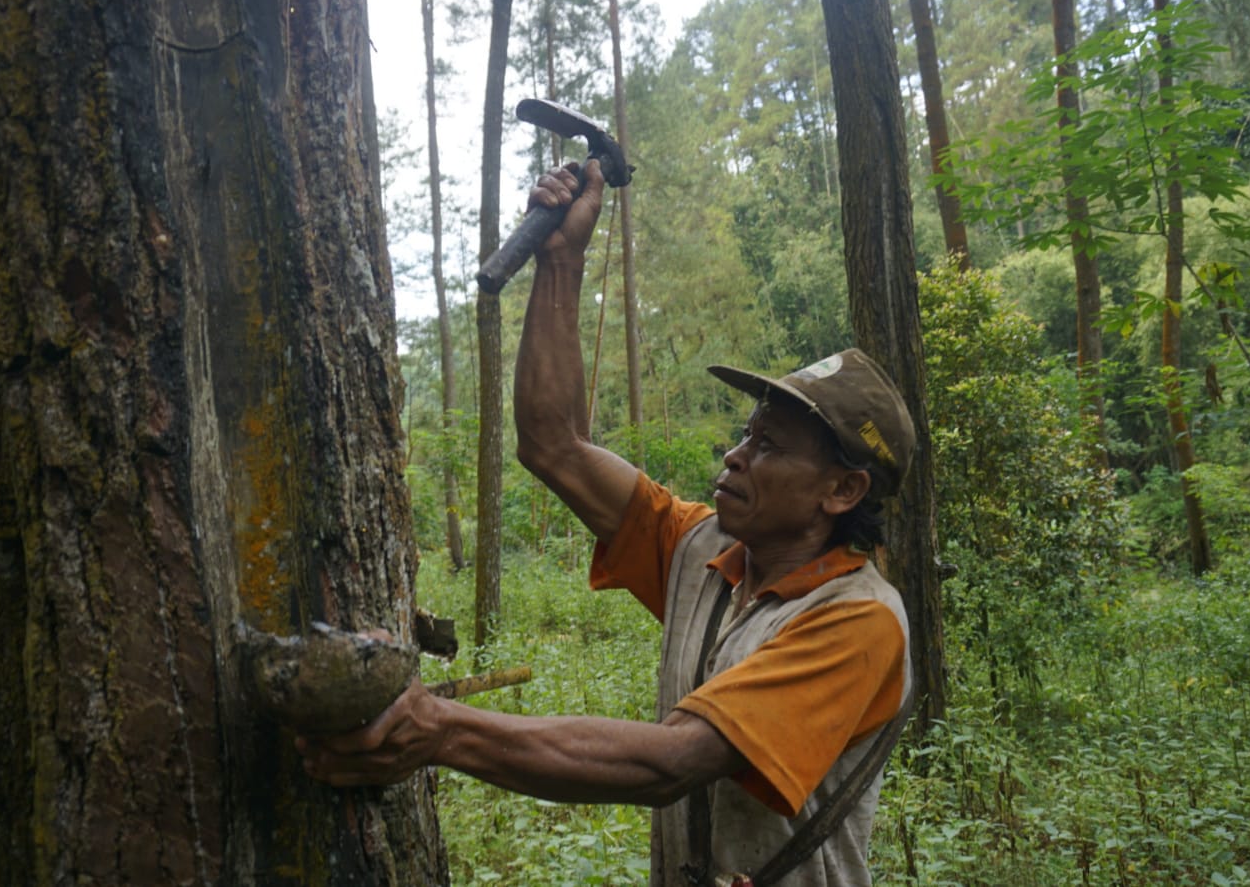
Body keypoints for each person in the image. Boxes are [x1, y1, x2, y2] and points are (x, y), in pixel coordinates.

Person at [298, 160, 915, 886]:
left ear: (842, 490)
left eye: (769, 446)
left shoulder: (858, 621)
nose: (735, 454)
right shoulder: (702, 549)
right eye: (745, 434)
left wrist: (436, 728)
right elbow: (554, 445)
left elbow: (672, 761)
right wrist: (562, 262)